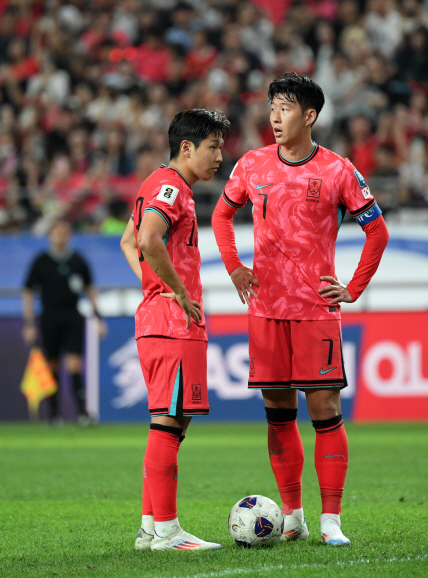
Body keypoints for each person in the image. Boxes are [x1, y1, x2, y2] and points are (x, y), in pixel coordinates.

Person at [212, 72, 389, 546]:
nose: (274, 115)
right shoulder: (251, 164)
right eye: (272, 106)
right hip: (266, 309)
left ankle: (331, 520)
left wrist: (352, 287)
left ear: (309, 116)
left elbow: (378, 231)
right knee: (277, 411)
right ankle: (293, 513)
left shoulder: (337, 170)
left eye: (285, 107)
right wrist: (234, 267)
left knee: (325, 409)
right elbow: (222, 214)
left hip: (315, 309)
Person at [120, 108, 230, 551]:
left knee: (170, 426)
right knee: (168, 424)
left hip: (158, 321)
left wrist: (152, 283)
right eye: (213, 146)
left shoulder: (159, 183)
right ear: (187, 148)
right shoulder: (171, 186)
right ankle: (166, 530)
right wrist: (178, 292)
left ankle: (151, 528)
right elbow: (147, 240)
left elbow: (128, 241)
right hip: (171, 325)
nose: (221, 155)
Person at [22, 219, 104, 426]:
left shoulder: (77, 260)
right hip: (49, 317)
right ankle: (54, 414)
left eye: (64, 232)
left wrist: (98, 317)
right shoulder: (41, 261)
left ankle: (82, 414)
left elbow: (90, 289)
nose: (60, 235)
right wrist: (29, 323)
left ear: (69, 235)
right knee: (52, 365)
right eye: (56, 232)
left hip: (73, 316)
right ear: (50, 235)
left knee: (74, 364)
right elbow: (28, 291)